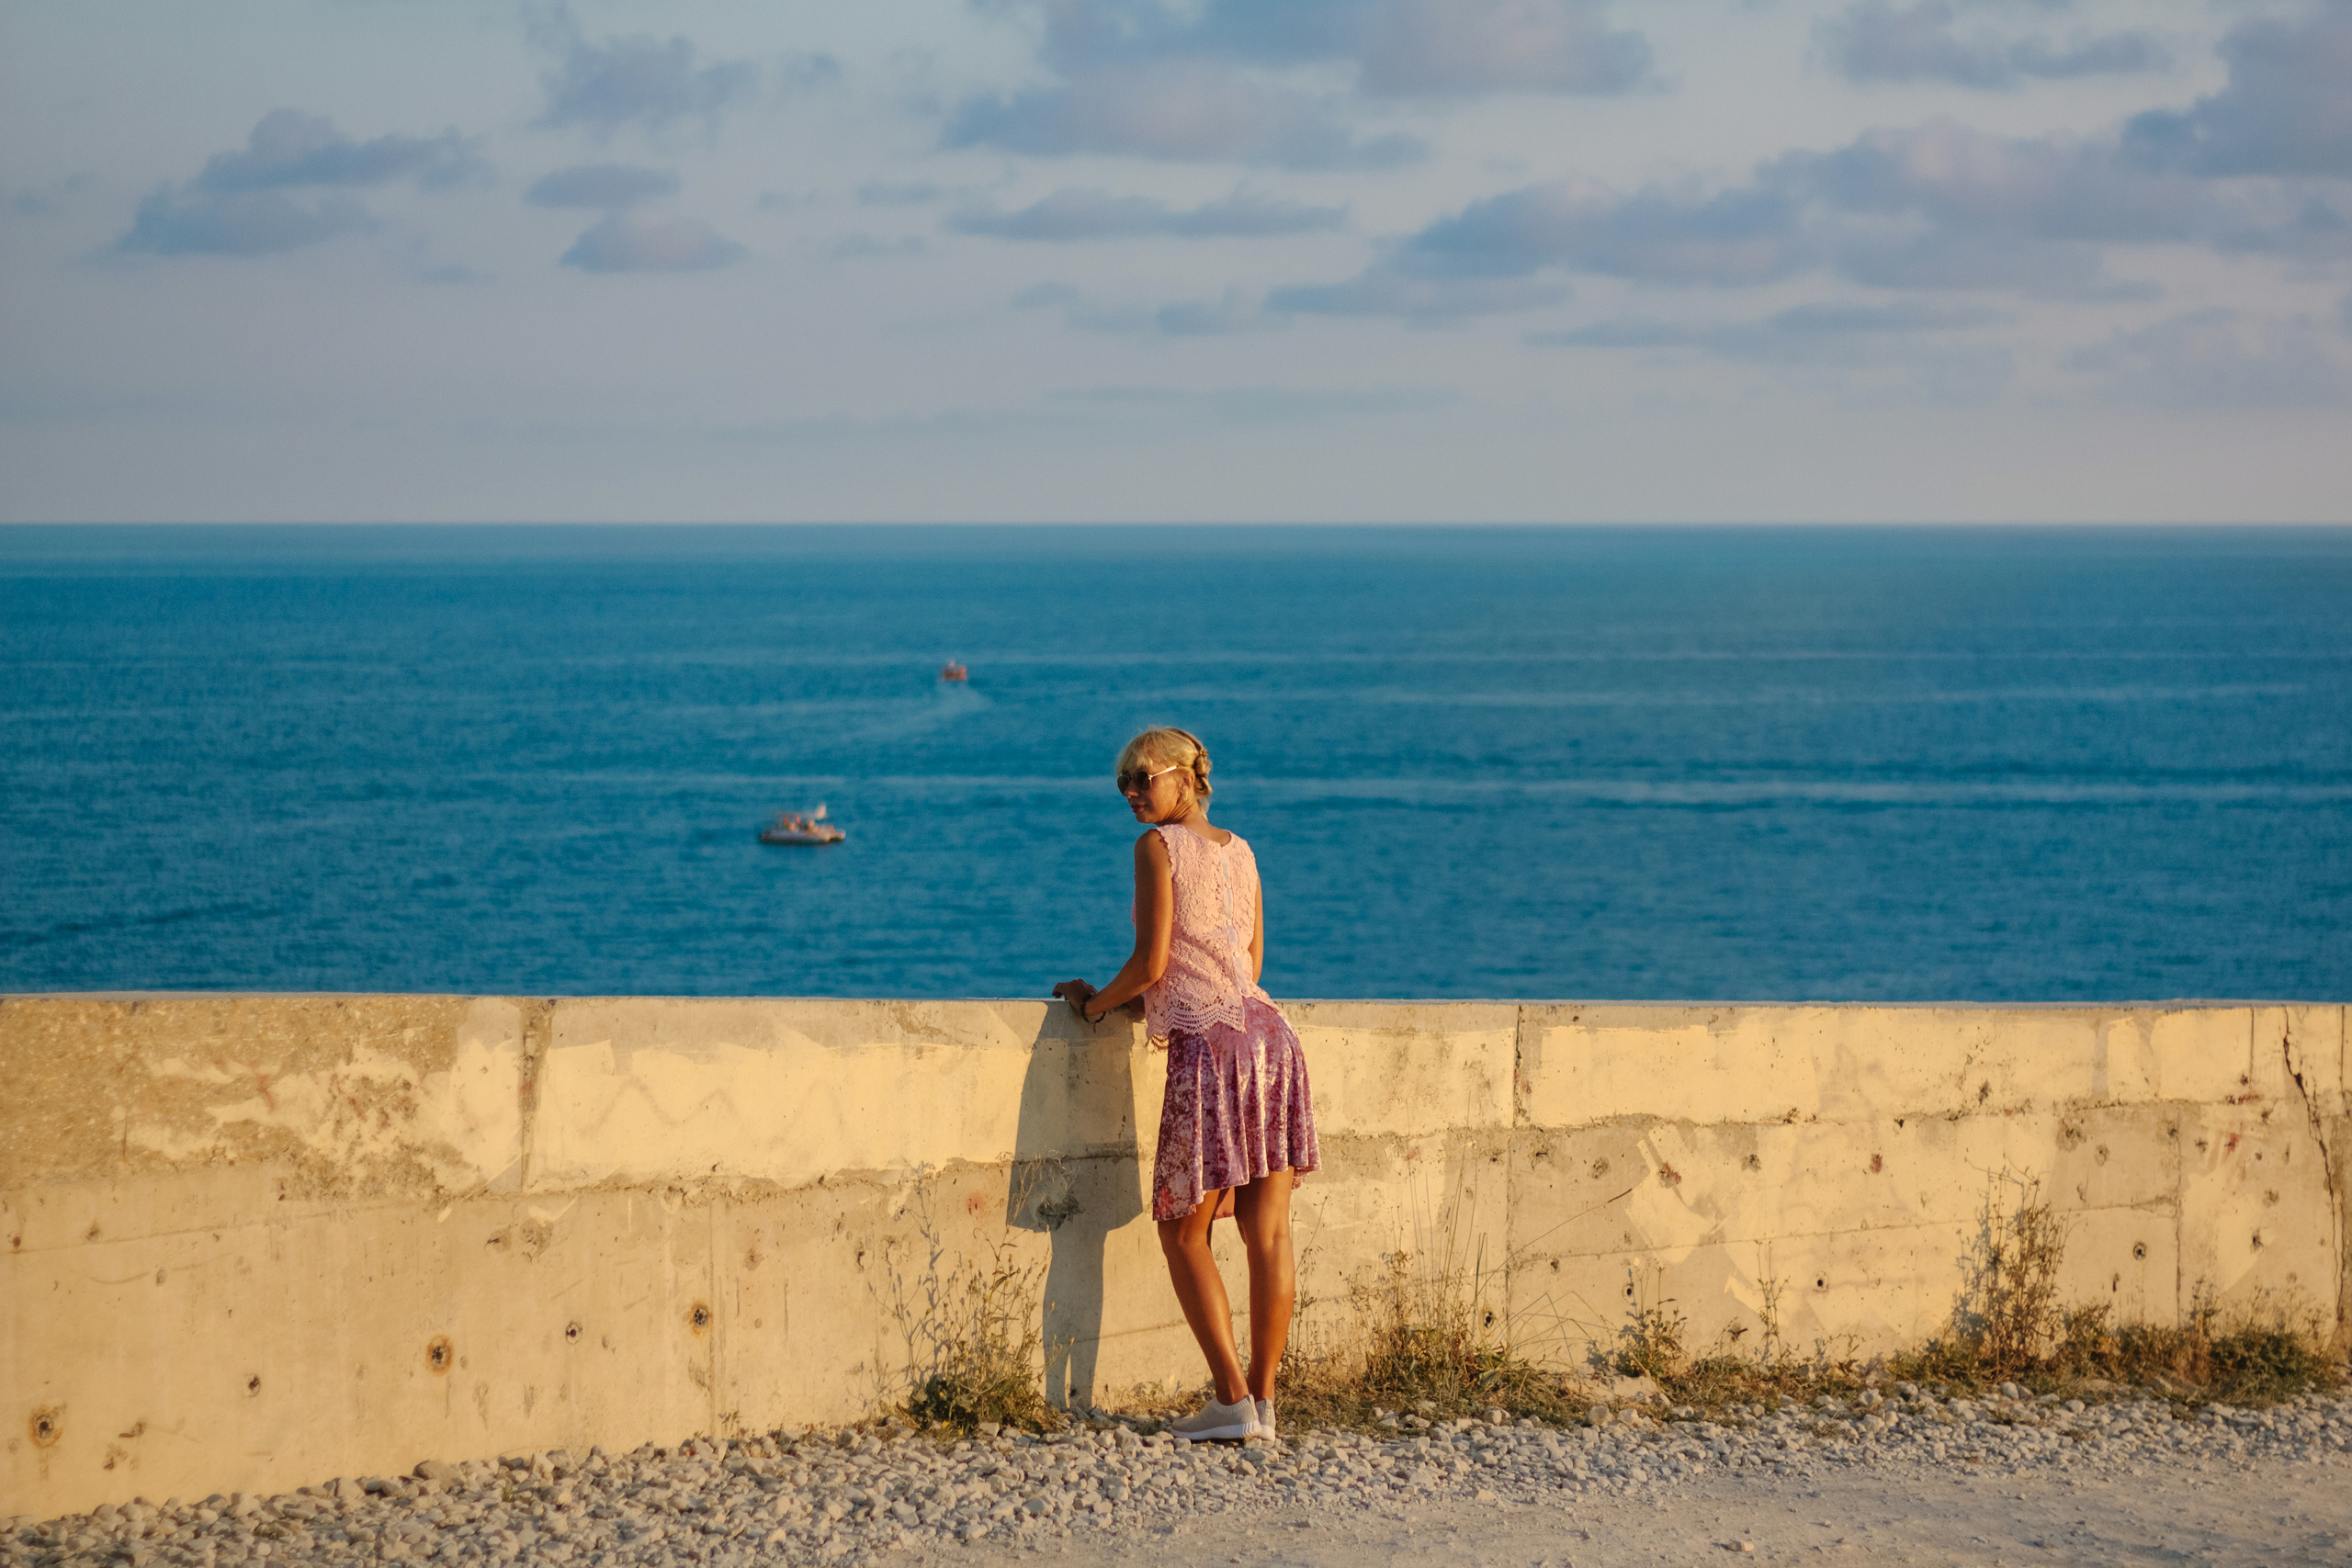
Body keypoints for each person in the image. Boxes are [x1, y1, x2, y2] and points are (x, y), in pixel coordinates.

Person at [1052, 727, 1320, 1443]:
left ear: (1184, 778)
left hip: (1213, 1049)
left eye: (1143, 778)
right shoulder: (1244, 850)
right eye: (1125, 785)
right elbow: (1249, 957)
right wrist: (1153, 994)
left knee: (1182, 1226)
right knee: (1268, 1232)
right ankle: (1262, 1405)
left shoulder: (1156, 849)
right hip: (1273, 1037)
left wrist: (1094, 1003)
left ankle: (1231, 1399)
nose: (1133, 793)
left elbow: (1151, 963)